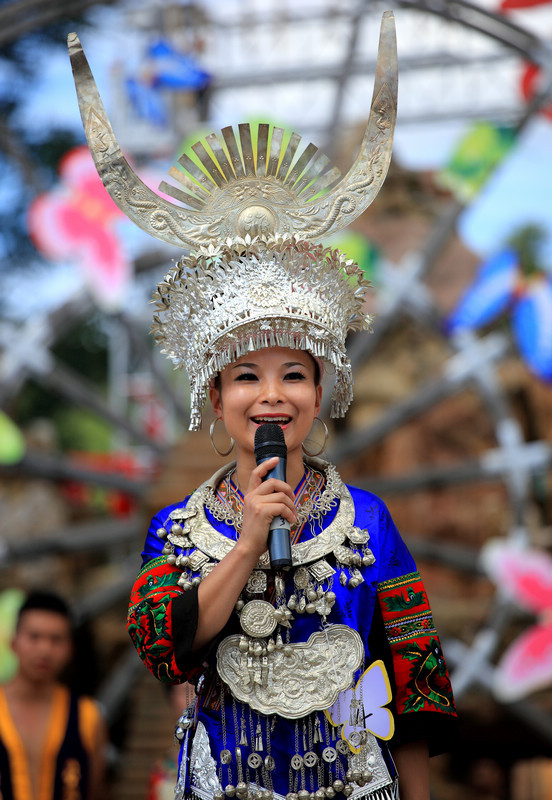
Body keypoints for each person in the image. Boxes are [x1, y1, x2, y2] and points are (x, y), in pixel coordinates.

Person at [69, 12, 457, 798]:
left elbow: (411, 701)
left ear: (322, 393)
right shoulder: (175, 533)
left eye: (294, 375)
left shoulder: (370, 524)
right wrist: (248, 541)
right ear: (214, 396)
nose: (271, 395)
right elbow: (165, 653)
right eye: (246, 376)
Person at [0, 591, 107, 800]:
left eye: (56, 639)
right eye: (34, 637)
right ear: (14, 643)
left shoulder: (87, 717)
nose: (45, 649)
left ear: (70, 649)